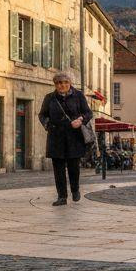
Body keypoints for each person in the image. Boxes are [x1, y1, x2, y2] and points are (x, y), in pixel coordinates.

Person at [39, 72, 93, 206]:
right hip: (56, 137)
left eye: (65, 83)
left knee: (73, 167)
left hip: (74, 137)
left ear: (69, 83)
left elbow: (88, 113)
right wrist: (48, 125)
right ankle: (62, 196)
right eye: (59, 83)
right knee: (58, 169)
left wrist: (80, 120)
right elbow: (42, 115)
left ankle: (75, 190)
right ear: (55, 85)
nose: (62, 85)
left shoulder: (78, 96)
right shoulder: (50, 98)